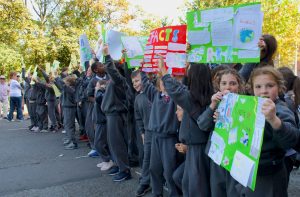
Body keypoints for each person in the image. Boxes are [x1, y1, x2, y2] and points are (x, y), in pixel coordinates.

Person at [237, 66, 299, 197]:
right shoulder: (252, 106)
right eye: (258, 87)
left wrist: (274, 120)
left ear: (280, 87)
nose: (263, 91)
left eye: (269, 86)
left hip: (270, 173)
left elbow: (292, 139)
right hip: (250, 170)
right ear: (252, 89)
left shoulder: (281, 109)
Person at [159, 56, 213, 197]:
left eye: (189, 72)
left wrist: (164, 73)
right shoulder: (202, 96)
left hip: (197, 150)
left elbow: (176, 90)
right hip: (195, 148)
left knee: (196, 188)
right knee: (185, 182)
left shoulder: (192, 99)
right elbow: (182, 88)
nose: (187, 74)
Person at [197, 68, 245, 197]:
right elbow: (202, 125)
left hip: (236, 156)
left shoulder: (246, 103)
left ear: (239, 85)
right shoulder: (216, 102)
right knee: (217, 189)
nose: (228, 87)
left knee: (234, 191)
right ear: (218, 85)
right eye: (224, 83)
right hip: (217, 155)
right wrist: (212, 105)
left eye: (232, 83)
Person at [141, 69, 180, 196]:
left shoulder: (176, 98)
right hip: (155, 137)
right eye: (162, 82)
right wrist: (143, 67)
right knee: (154, 168)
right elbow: (145, 82)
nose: (165, 84)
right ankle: (157, 193)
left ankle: (174, 193)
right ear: (159, 85)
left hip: (169, 139)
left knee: (169, 171)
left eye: (167, 81)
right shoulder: (155, 95)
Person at [101, 44, 132, 182]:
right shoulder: (115, 81)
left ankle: (125, 170)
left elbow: (112, 71)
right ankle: (119, 164)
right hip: (111, 114)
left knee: (118, 143)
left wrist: (107, 55)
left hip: (116, 115)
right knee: (113, 143)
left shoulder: (120, 81)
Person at [132, 70, 152, 197]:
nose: (134, 84)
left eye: (137, 80)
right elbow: (138, 117)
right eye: (133, 82)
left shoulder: (154, 93)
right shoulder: (138, 98)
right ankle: (145, 182)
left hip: (162, 132)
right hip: (148, 133)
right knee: (147, 159)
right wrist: (142, 132)